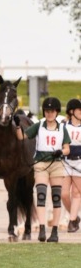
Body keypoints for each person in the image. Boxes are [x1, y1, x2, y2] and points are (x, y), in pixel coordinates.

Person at [15, 96, 70, 242]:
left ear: (57, 112)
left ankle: (55, 231)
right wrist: (17, 127)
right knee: (41, 195)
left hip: (56, 164)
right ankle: (41, 228)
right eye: (47, 111)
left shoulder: (62, 128)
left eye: (52, 111)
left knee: (56, 198)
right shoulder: (38, 126)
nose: (49, 113)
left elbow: (67, 149)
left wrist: (61, 152)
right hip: (41, 164)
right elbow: (22, 138)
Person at [61, 98, 81, 232]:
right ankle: (75, 216)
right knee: (64, 194)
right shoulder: (64, 126)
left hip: (79, 162)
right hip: (66, 162)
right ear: (72, 111)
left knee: (76, 192)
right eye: (79, 109)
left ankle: (72, 221)